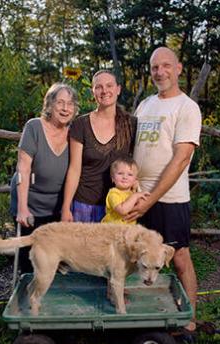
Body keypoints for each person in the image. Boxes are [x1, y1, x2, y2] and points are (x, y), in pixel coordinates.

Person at [127, 47, 202, 335]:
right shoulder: (145, 105)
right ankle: (142, 315)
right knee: (140, 256)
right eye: (155, 67)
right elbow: (136, 148)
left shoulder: (186, 108)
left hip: (169, 200)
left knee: (179, 257)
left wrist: (150, 201)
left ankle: (188, 322)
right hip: (139, 197)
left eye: (166, 66)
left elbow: (182, 158)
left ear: (179, 68)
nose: (160, 72)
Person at [10, 83, 78, 272]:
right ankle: (24, 297)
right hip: (29, 202)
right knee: (29, 259)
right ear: (49, 105)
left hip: (56, 206)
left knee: (53, 258)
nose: (65, 108)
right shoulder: (34, 127)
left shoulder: (74, 133)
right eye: (60, 103)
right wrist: (23, 209)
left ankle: (48, 298)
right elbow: (23, 168)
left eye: (70, 104)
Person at [61, 70, 136, 223]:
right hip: (84, 205)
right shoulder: (80, 124)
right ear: (93, 91)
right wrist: (66, 207)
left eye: (109, 85)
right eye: (99, 87)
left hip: (118, 207)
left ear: (118, 89)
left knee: (112, 247)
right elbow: (74, 169)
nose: (104, 91)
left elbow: (135, 162)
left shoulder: (131, 124)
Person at [101, 157, 149, 225]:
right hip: (113, 231)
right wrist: (135, 196)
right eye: (120, 173)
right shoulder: (113, 193)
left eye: (130, 174)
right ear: (113, 178)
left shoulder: (132, 193)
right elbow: (123, 210)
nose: (125, 177)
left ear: (135, 180)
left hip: (127, 231)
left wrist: (135, 190)